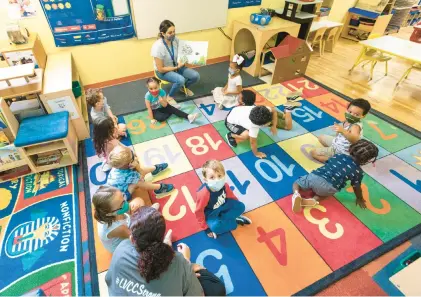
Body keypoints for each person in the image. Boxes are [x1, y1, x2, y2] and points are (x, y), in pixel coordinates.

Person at [106, 206, 226, 296]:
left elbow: (109, 280)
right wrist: (187, 264)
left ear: (132, 239)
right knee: (216, 288)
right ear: (161, 236)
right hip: (180, 271)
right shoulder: (178, 262)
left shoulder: (121, 249)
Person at [292, 139, 379, 213]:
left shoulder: (338, 155)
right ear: (367, 160)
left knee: (297, 183)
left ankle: (296, 193)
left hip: (315, 177)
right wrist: (359, 198)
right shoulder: (358, 172)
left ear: (351, 148)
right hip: (328, 187)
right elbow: (356, 187)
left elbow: (328, 163)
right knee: (324, 195)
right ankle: (314, 200)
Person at [93, 185, 165, 253]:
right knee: (147, 233)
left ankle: (146, 214)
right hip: (123, 244)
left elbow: (125, 207)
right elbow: (135, 238)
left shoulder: (113, 210)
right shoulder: (118, 228)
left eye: (123, 196)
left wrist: (131, 209)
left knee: (138, 201)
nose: (126, 203)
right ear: (110, 213)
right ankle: (147, 215)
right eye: (122, 203)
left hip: (125, 221)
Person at [195, 160, 251, 239]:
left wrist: (236, 206)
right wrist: (206, 228)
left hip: (223, 206)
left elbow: (232, 197)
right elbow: (199, 211)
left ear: (224, 176)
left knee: (241, 206)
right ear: (205, 180)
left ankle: (226, 219)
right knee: (216, 227)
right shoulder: (203, 194)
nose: (217, 180)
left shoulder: (224, 185)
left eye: (219, 176)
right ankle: (234, 221)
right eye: (212, 177)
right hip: (211, 213)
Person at [311, 98, 371, 163]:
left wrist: (343, 131)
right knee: (321, 137)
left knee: (313, 153)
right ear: (347, 109)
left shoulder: (355, 126)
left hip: (342, 150)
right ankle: (334, 153)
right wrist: (338, 130)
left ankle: (335, 162)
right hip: (337, 143)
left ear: (363, 116)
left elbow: (355, 140)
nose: (351, 115)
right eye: (350, 112)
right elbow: (339, 134)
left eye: (356, 114)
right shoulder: (348, 120)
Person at [151, 20, 200, 97]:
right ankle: (169, 97)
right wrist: (176, 67)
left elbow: (184, 52)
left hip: (177, 66)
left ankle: (183, 88)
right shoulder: (158, 47)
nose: (173, 34)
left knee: (196, 76)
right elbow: (160, 69)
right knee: (181, 80)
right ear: (163, 34)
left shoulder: (175, 39)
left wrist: (189, 59)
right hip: (163, 72)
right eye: (170, 33)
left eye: (174, 31)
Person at [107, 145, 174, 199]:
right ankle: (159, 188)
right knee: (138, 183)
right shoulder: (129, 175)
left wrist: (136, 164)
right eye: (133, 156)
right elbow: (141, 175)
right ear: (129, 164)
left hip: (114, 190)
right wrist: (137, 166)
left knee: (138, 174)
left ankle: (155, 169)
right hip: (122, 196)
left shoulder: (117, 165)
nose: (135, 155)